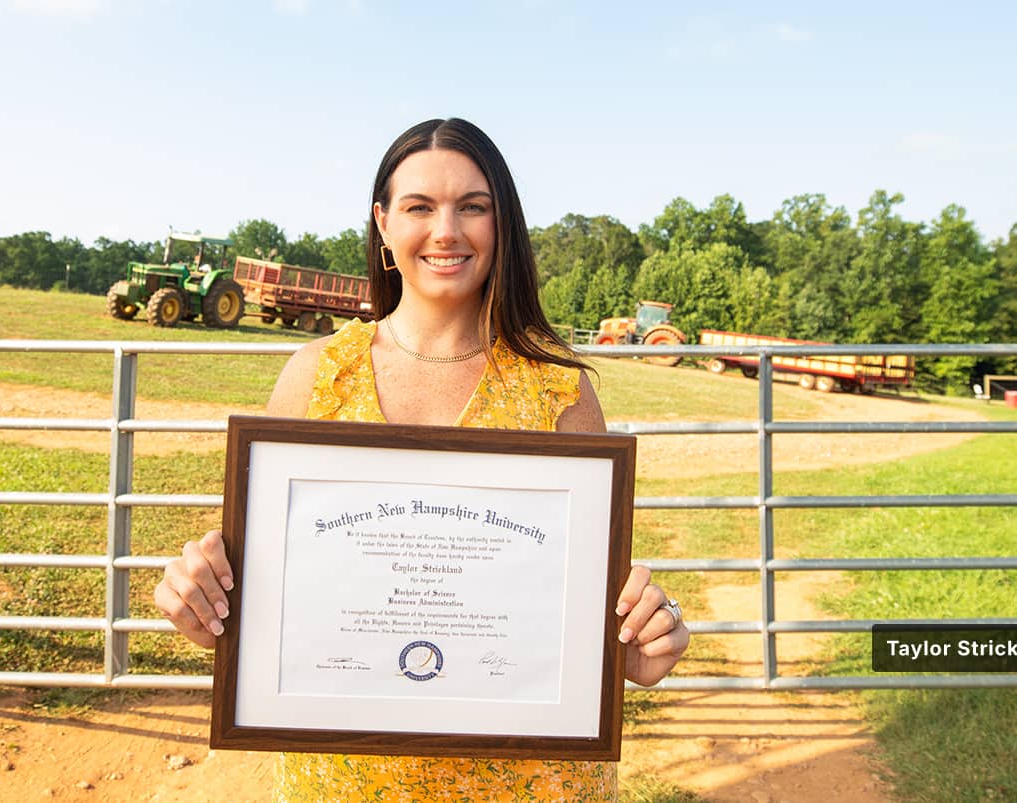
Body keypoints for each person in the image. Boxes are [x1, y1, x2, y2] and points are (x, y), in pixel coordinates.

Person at [154, 118, 690, 800]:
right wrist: (205, 607)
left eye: (473, 206)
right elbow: (262, 600)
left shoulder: (561, 392)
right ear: (382, 224)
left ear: (503, 224)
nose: (447, 231)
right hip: (347, 783)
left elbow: (589, 615)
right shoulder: (316, 377)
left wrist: (638, 643)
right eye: (419, 207)